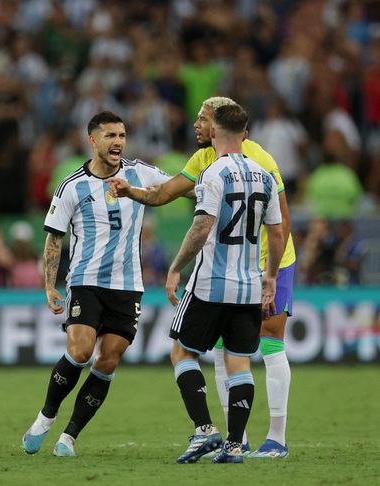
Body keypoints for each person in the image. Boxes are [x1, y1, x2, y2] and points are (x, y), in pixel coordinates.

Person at [108, 96, 296, 459]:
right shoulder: (204, 160)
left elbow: (279, 226)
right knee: (231, 353)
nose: (196, 124)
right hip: (246, 272)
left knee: (264, 341)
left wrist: (267, 274)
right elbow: (164, 192)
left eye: (202, 118)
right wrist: (130, 190)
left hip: (256, 263)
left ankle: (275, 436)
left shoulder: (257, 159)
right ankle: (235, 440)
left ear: (217, 127)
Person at [22, 110, 174, 457]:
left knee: (107, 361)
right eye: (110, 136)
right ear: (92, 141)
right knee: (80, 351)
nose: (118, 141)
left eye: (121, 135)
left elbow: (177, 187)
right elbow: (54, 239)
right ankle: (46, 417)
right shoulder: (72, 185)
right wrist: (49, 285)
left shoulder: (140, 173)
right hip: (85, 280)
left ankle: (69, 437)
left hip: (128, 284)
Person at [165, 104, 285, 463]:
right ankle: (234, 445)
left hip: (210, 284)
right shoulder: (264, 176)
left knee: (182, 352)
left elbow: (201, 228)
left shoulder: (213, 174)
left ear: (214, 133)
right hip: (249, 285)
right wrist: (272, 276)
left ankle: (204, 430)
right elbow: (277, 234)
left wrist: (175, 268)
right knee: (240, 363)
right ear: (245, 135)